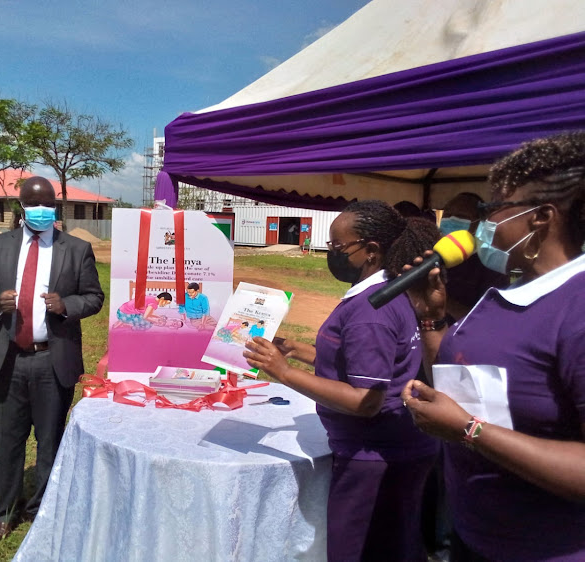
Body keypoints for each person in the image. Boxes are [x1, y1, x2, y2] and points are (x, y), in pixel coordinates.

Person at [401, 132, 585, 561]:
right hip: (476, 535)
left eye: (494, 208)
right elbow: (455, 379)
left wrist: (468, 430)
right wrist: (431, 318)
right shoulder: (507, 289)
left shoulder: (576, 307)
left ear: (541, 218)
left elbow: (467, 420)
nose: (481, 224)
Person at [244, 200, 440, 561]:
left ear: (371, 251)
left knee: (361, 551)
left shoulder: (370, 311)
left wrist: (284, 373)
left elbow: (366, 400)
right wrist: (295, 350)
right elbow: (356, 363)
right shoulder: (387, 292)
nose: (330, 254)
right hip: (395, 449)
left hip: (377, 458)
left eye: (338, 247)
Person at [0, 176, 104, 542]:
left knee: (50, 439)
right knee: (7, 440)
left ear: (55, 206)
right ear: (22, 207)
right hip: (9, 359)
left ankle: (42, 509)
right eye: (35, 204)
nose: (43, 210)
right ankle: (5, 511)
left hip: (52, 360)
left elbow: (94, 297)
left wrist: (67, 306)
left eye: (49, 204)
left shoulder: (75, 248)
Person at [439, 192, 509, 319]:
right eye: (447, 215)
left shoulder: (490, 266)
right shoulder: (436, 257)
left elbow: (486, 320)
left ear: (479, 222)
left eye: (461, 216)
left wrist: (443, 302)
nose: (451, 220)